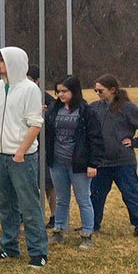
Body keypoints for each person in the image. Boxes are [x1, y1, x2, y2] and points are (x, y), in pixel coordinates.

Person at [0, 48, 47, 268]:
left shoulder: (30, 89)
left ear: (14, 63)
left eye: (1, 60)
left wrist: (21, 151)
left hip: (21, 157)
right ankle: (9, 246)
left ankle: (38, 251)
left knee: (29, 204)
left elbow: (35, 124)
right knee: (6, 204)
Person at [90, 74, 138, 237]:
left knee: (130, 194)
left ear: (112, 90)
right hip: (101, 162)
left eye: (101, 90)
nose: (97, 93)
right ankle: (92, 223)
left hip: (123, 162)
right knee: (96, 195)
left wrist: (135, 142)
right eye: (95, 90)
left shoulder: (127, 108)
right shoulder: (94, 108)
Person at [45, 75, 104, 249]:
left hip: (79, 164)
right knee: (62, 198)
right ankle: (59, 229)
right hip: (57, 162)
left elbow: (95, 139)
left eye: (65, 91)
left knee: (83, 199)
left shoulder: (87, 112)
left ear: (74, 91)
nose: (61, 95)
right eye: (58, 91)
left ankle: (87, 234)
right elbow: (48, 133)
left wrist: (93, 164)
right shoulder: (54, 110)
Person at [28, 64, 58, 227]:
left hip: (43, 148)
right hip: (26, 147)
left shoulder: (47, 100)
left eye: (29, 80)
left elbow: (54, 123)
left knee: (48, 184)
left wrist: (44, 114)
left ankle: (54, 216)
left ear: (37, 81)